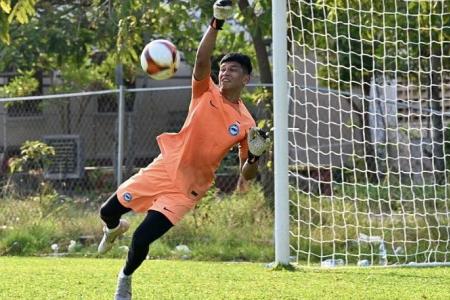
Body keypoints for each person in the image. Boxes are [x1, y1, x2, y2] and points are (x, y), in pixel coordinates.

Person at [97, 1, 270, 299]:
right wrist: (216, 23)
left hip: (187, 189)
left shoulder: (246, 123)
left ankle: (124, 279)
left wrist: (254, 156)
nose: (225, 73)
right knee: (107, 211)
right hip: (163, 168)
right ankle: (113, 230)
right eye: (223, 69)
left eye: (233, 70)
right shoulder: (205, 91)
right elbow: (202, 61)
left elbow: (248, 174)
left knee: (142, 238)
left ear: (246, 79)